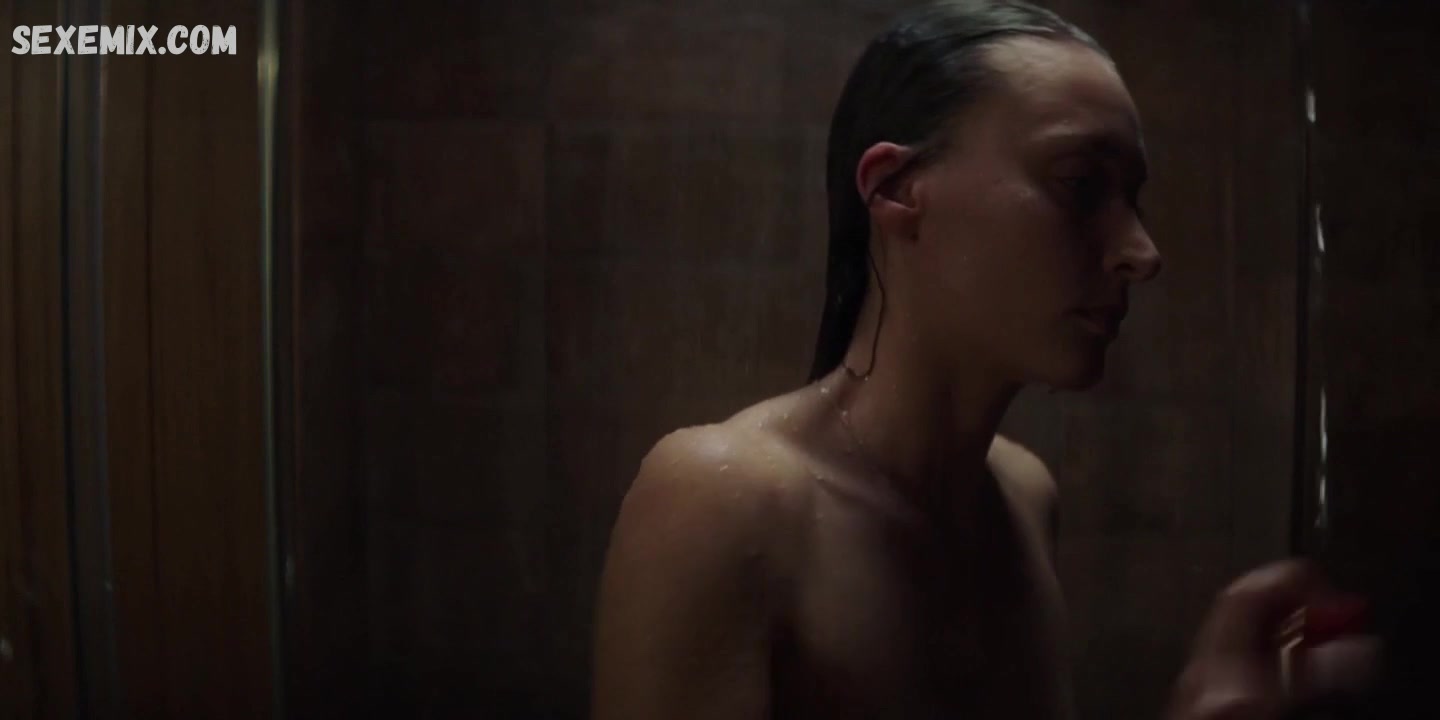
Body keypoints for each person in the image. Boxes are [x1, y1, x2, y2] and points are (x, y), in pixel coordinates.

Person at [590, 2, 1373, 718]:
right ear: (897, 191)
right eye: (1081, 185)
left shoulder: (1024, 495)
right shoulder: (721, 503)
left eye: (1131, 198)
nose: (1142, 252)